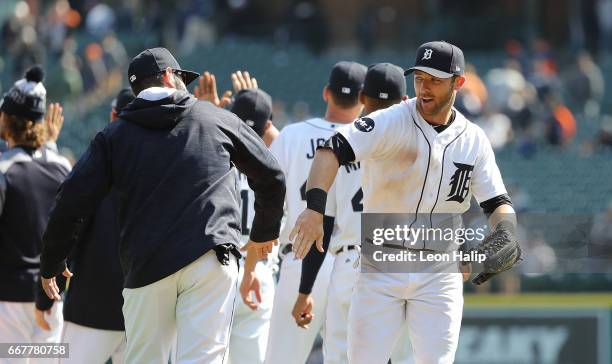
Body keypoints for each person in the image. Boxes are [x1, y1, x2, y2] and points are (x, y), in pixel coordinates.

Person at [39, 47, 286, 363]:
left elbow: (71, 202)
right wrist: (263, 235)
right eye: (182, 77)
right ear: (170, 76)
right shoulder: (218, 119)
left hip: (147, 264)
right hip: (211, 257)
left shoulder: (114, 135)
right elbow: (272, 176)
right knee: (203, 358)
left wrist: (52, 261)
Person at [290, 41, 519, 364]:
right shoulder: (391, 121)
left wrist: (503, 235)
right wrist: (314, 207)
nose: (424, 88)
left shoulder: (473, 140)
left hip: (440, 270)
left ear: (459, 83)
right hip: (382, 263)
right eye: (419, 78)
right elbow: (331, 150)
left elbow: (498, 204)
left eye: (435, 80)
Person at [292, 62, 415, 364]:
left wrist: (305, 289)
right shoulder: (419, 143)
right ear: (404, 101)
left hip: (351, 260)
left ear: (362, 97)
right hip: (403, 259)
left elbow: (323, 221)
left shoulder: (342, 144)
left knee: (341, 358)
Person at [265, 61, 367, 364]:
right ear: (364, 98)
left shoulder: (292, 135)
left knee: (281, 360)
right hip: (354, 259)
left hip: (301, 255)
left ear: (326, 93)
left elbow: (270, 198)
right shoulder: (370, 139)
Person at [194, 70, 280, 364]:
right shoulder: (275, 165)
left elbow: (205, 138)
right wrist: (261, 112)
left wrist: (214, 112)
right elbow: (279, 140)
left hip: (215, 268)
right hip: (259, 270)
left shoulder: (211, 162)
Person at [52, 87, 134, 364]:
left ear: (113, 115)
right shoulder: (164, 167)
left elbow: (67, 228)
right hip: (145, 312)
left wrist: (48, 290)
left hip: (91, 307)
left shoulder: (93, 163)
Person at [0, 66, 71, 363]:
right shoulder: (63, 167)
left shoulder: (4, 171)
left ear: (7, 121)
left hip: (9, 301)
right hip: (52, 299)